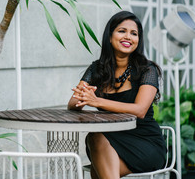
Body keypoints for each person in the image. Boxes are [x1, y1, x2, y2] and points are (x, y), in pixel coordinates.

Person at [68, 11, 166, 179]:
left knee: (98, 171)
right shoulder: (96, 69)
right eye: (122, 31)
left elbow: (140, 110)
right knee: (96, 138)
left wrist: (97, 101)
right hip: (106, 140)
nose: (128, 37)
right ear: (110, 35)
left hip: (144, 142)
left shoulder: (147, 70)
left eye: (134, 34)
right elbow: (72, 104)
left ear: (138, 40)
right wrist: (82, 98)